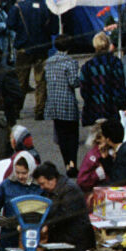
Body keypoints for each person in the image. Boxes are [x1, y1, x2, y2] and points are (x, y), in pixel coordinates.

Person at [44, 38, 83, 166]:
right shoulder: (70, 62)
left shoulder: (49, 62)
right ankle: (72, 163)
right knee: (72, 136)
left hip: (53, 103)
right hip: (67, 102)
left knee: (61, 136)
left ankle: (66, 162)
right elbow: (73, 82)